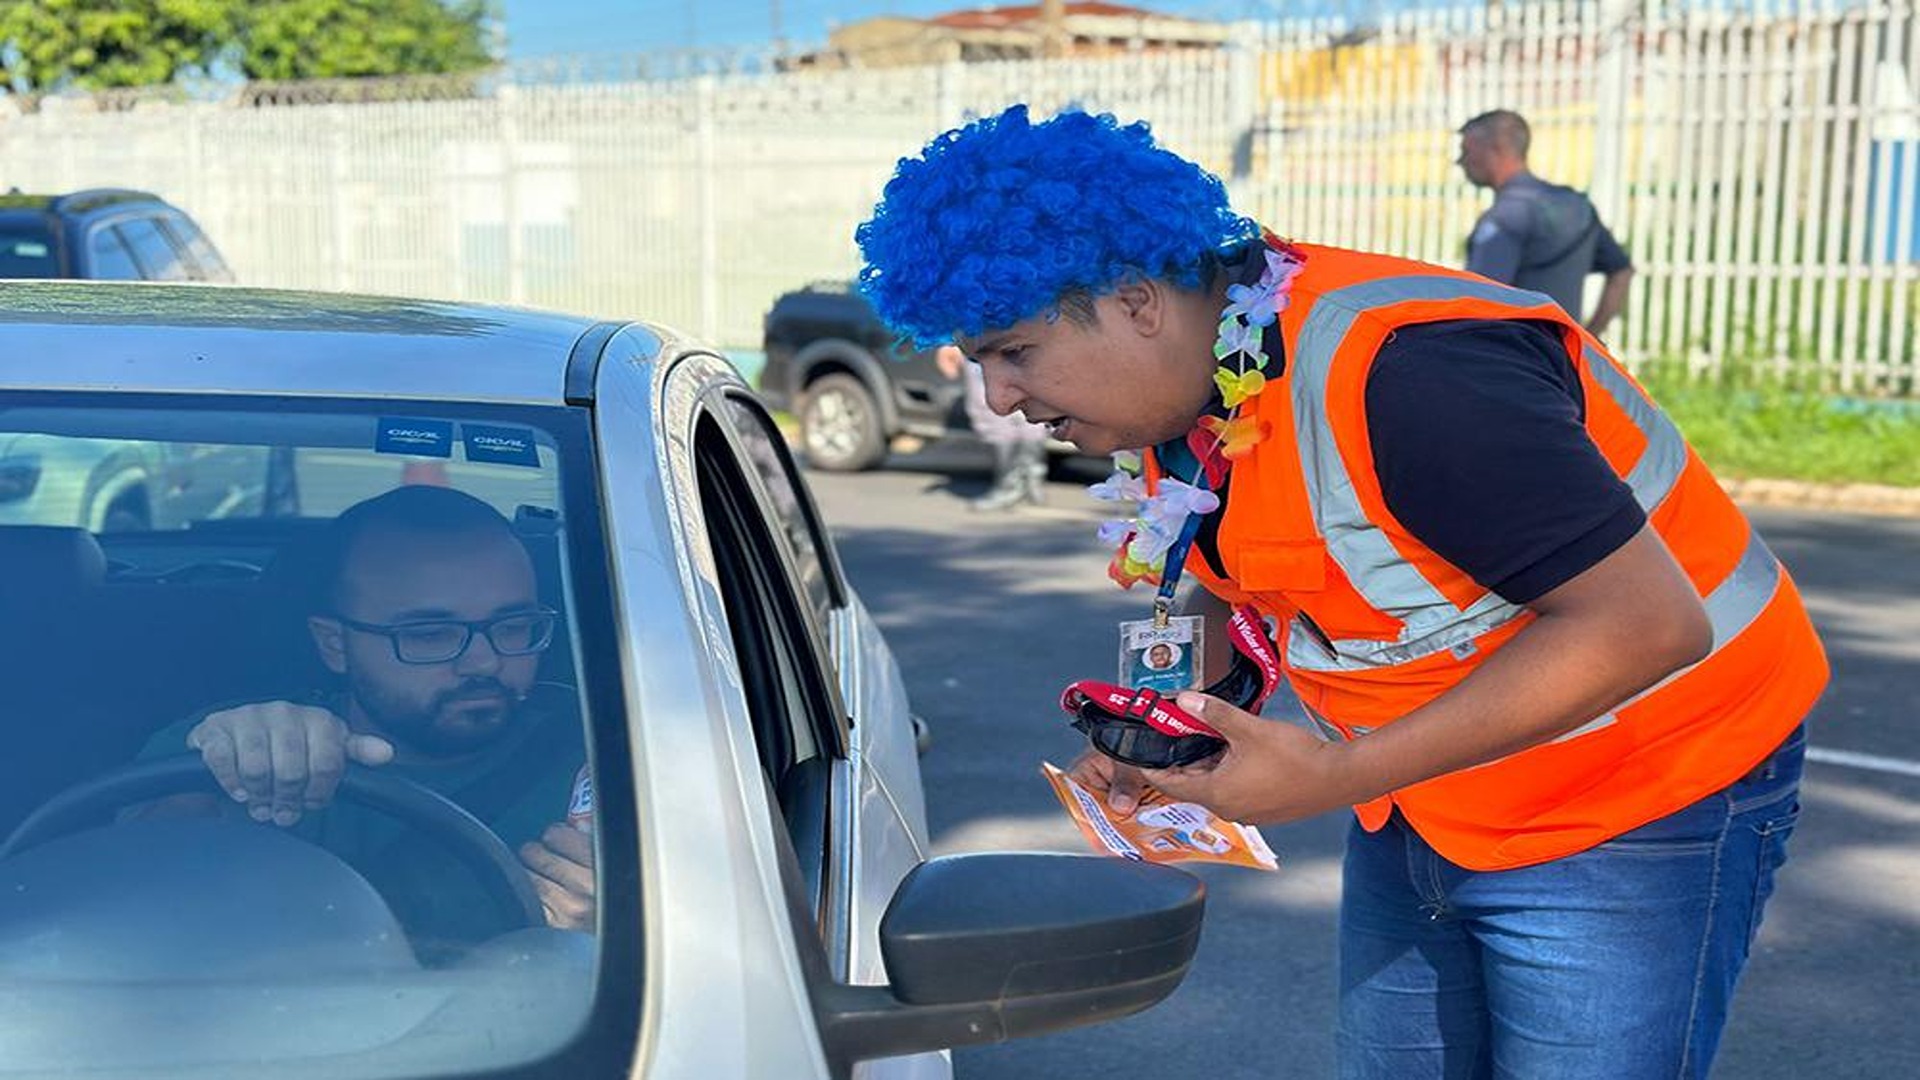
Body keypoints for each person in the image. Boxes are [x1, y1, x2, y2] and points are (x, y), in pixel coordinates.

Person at [855, 104, 1827, 1079]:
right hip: (1423, 795)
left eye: (1014, 350)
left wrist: (1332, 779)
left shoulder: (1411, 374)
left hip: (1643, 795)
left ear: (1137, 298)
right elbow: (1236, 572)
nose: (998, 399)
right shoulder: (1184, 385)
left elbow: (1648, 624)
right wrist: (1182, 723)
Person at [133, 485, 594, 944]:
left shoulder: (617, 749)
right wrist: (215, 784)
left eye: (513, 627)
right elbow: (122, 916)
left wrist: (609, 935)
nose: (484, 662)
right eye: (430, 633)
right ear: (335, 643)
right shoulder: (224, 745)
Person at [1458, 109, 1635, 339]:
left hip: (1511, 361)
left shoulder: (1506, 217)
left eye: (1466, 151)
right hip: (1560, 364)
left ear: (1496, 148)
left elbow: (1479, 303)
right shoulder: (1577, 206)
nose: (1460, 161)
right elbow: (1622, 271)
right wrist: (1588, 339)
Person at [934, 342, 1050, 510]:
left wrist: (948, 340)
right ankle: (1029, 481)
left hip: (987, 345)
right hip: (1024, 343)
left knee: (997, 413)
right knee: (1028, 407)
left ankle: (1011, 486)